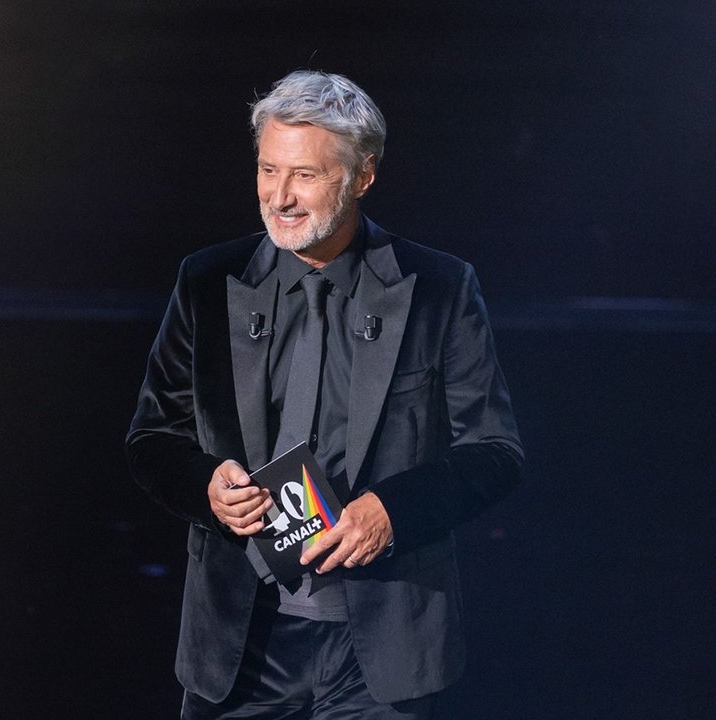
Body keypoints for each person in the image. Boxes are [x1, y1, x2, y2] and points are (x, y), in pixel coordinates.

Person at [126, 69, 523, 719]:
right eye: (268, 170)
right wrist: (206, 486)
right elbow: (152, 438)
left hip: (382, 652)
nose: (279, 197)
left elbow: (494, 451)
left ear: (363, 175)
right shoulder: (207, 281)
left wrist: (392, 512)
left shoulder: (439, 289)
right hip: (239, 650)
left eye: (305, 175)